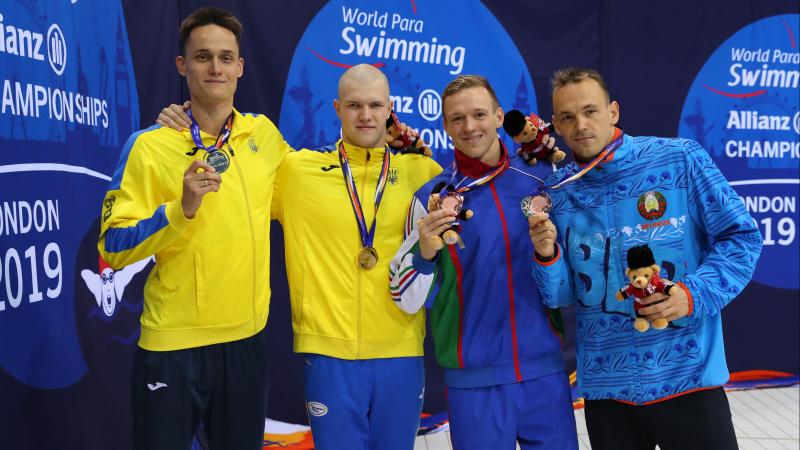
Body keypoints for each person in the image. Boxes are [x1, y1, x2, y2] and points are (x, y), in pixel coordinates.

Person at [158, 63, 442, 450]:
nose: (366, 115)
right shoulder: (297, 171)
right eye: (355, 105)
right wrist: (189, 126)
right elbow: (233, 175)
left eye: (376, 105)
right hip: (327, 354)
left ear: (390, 108)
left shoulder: (423, 172)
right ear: (337, 108)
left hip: (401, 351)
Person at [529, 67, 763, 450]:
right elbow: (560, 296)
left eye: (591, 111)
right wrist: (546, 253)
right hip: (608, 393)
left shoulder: (679, 160)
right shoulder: (558, 194)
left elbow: (742, 238)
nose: (581, 125)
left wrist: (691, 295)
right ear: (555, 124)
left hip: (688, 380)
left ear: (614, 112)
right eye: (567, 117)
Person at [98, 7, 291, 450]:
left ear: (241, 67)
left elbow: (318, 188)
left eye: (226, 57)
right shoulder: (149, 146)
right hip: (172, 347)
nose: (216, 67)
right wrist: (178, 209)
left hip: (246, 341)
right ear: (182, 66)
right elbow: (112, 245)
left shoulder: (264, 138)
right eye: (203, 57)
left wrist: (392, 148)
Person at [389, 75, 578, 450]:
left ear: (497, 116)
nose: (469, 126)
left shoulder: (542, 180)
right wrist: (425, 253)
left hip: (545, 376)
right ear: (444, 125)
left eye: (478, 114)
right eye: (457, 118)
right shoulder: (432, 198)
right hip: (473, 384)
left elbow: (573, 267)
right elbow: (404, 296)